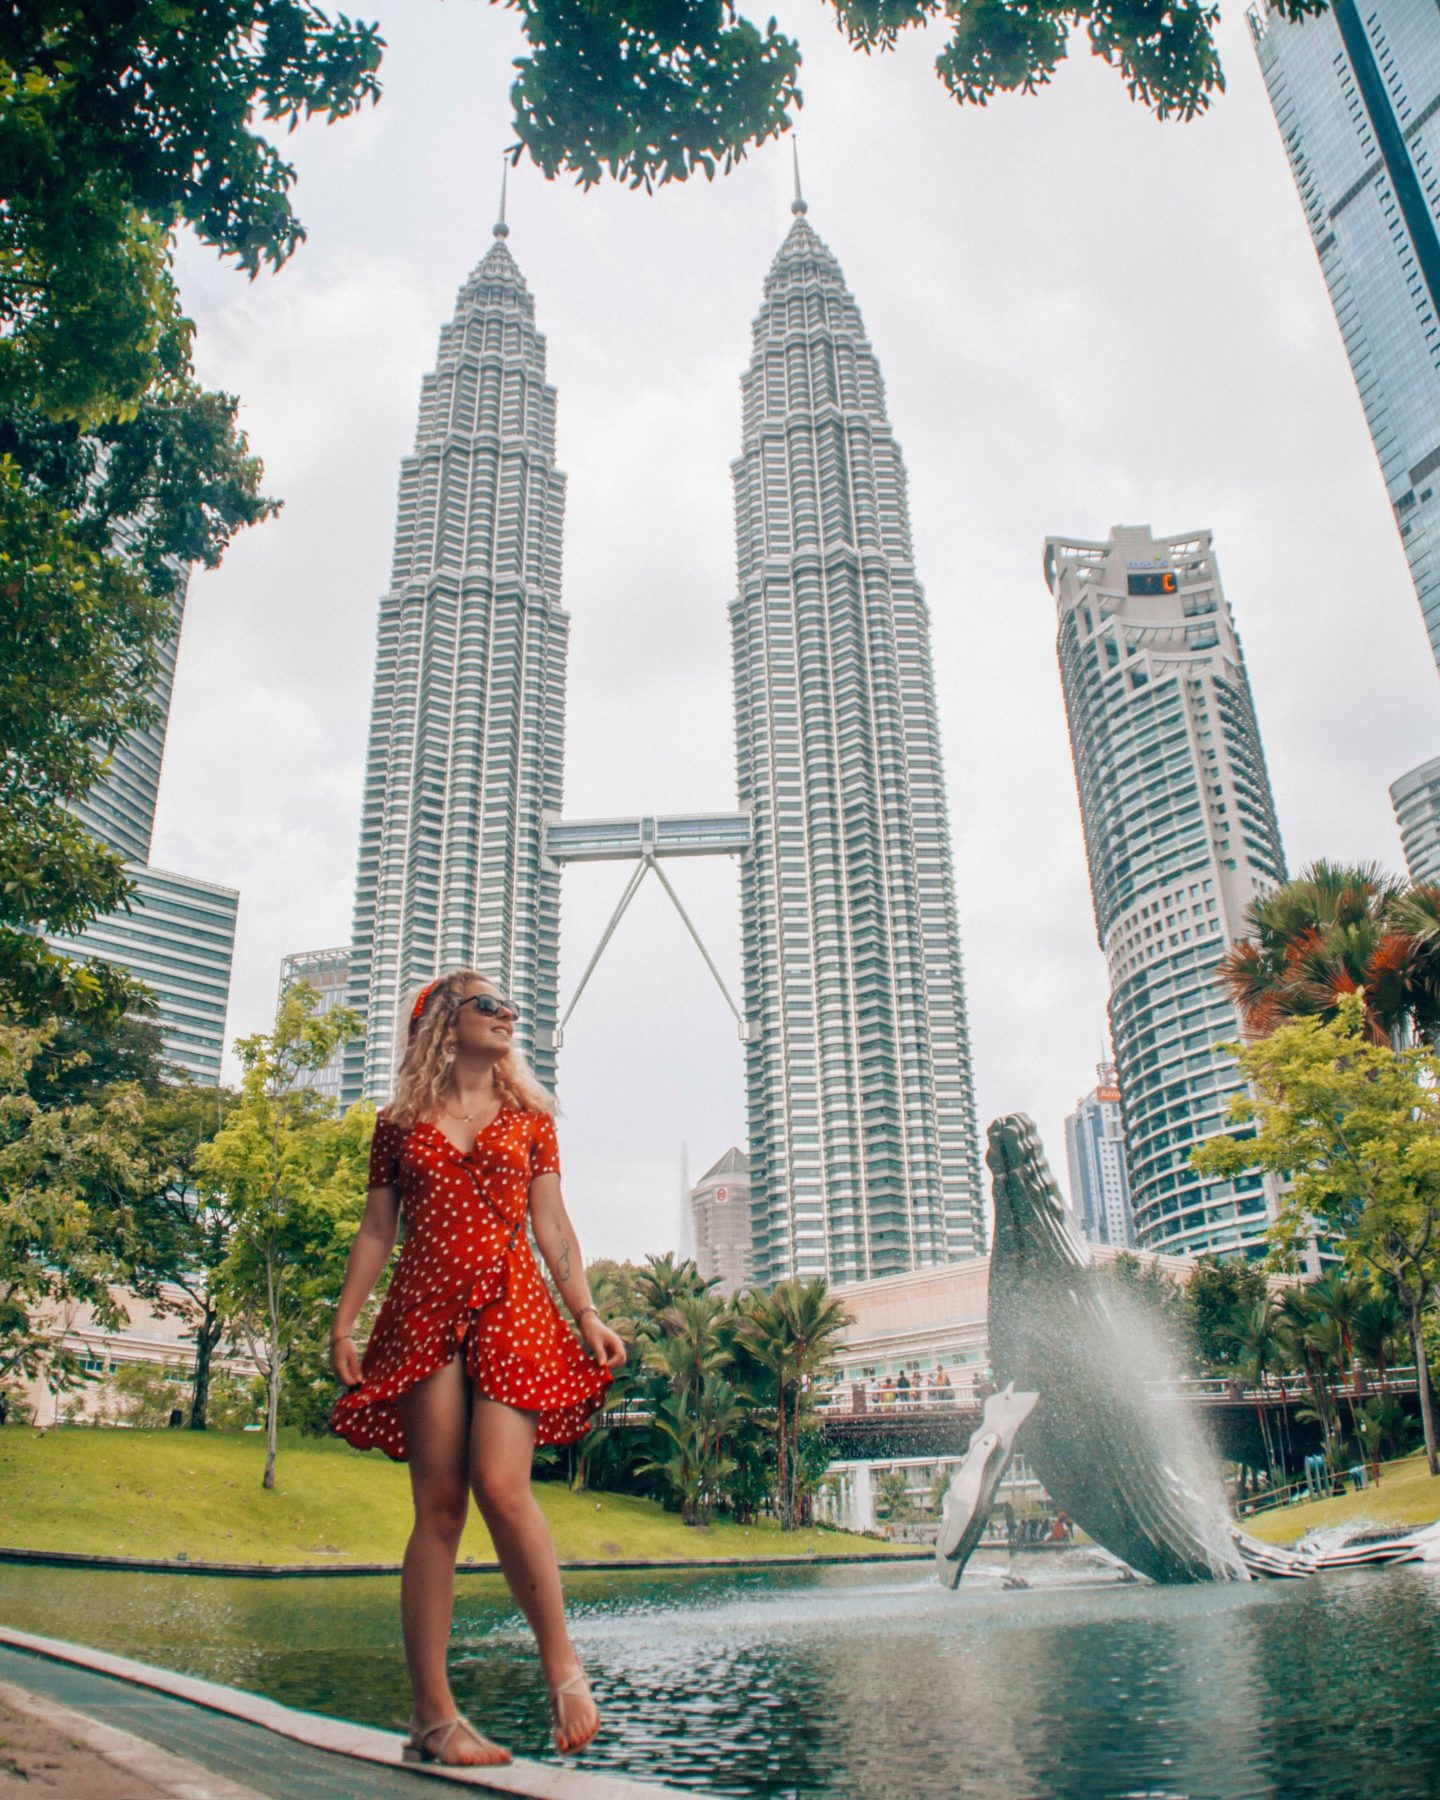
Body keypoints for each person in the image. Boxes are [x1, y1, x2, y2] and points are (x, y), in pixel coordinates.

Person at [329, 969, 627, 1769]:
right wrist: (344, 1321)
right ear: (444, 1021)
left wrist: (588, 1312)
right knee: (440, 1508)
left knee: (503, 1483)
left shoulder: (530, 1117)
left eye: (510, 1009)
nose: (508, 1017)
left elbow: (552, 1223)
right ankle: (433, 1718)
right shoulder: (398, 1122)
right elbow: (376, 1229)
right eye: (489, 1005)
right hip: (426, 1310)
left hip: (512, 1305)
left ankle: (562, 1668)